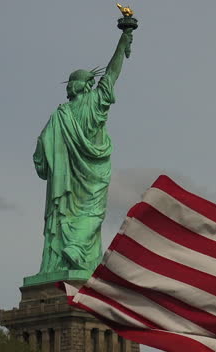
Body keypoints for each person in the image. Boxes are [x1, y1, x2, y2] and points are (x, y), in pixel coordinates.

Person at [33, 28, 133, 274]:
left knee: (65, 214)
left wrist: (51, 164)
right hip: (94, 173)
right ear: (88, 85)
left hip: (67, 179)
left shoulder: (61, 115)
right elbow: (112, 74)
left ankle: (66, 255)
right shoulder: (95, 102)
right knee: (93, 213)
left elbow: (41, 149)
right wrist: (123, 40)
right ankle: (76, 250)